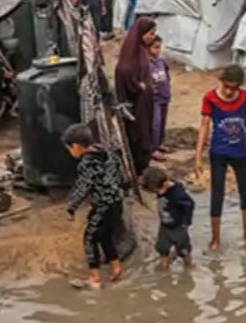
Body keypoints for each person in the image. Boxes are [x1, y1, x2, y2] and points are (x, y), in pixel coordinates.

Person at [195, 63, 246, 250]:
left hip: (240, 152)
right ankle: (215, 238)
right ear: (221, 82)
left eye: (235, 88)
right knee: (217, 194)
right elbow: (204, 126)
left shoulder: (245, 97)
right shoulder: (210, 98)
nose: (230, 92)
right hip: (219, 153)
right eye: (227, 87)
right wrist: (198, 156)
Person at [63, 122, 126, 289]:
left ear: (76, 147)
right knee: (105, 236)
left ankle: (95, 279)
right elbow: (120, 171)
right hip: (117, 202)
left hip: (102, 206)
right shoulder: (109, 154)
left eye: (70, 149)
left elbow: (83, 187)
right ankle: (116, 266)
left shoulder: (87, 164)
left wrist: (71, 207)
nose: (70, 153)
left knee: (90, 238)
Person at [114, 16, 158, 173]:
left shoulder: (141, 51)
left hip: (145, 104)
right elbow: (123, 70)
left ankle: (143, 166)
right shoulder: (131, 52)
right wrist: (138, 86)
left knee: (145, 132)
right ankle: (137, 168)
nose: (152, 38)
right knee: (136, 135)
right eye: (150, 34)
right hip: (135, 106)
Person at [140, 166, 195, 272]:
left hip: (179, 226)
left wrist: (186, 222)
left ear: (165, 183)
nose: (156, 194)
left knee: (183, 250)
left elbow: (190, 204)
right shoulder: (160, 188)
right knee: (162, 248)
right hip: (165, 226)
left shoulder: (177, 194)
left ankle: (188, 267)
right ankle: (164, 268)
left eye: (156, 191)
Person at [147, 36, 172, 160]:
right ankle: (153, 148)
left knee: (162, 122)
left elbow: (167, 76)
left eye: (159, 47)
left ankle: (159, 143)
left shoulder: (161, 62)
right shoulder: (146, 64)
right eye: (155, 47)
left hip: (164, 96)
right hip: (154, 98)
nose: (158, 50)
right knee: (155, 123)